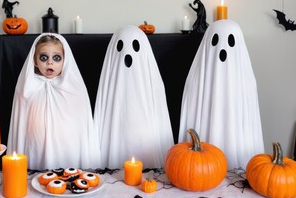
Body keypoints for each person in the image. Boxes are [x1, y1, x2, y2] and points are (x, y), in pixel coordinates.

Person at [178, 19, 264, 170]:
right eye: (216, 41)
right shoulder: (197, 80)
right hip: (201, 166)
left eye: (230, 41)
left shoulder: (246, 81)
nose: (222, 49)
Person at [7, 33, 101, 170]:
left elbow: (81, 126)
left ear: (65, 60)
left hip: (66, 148)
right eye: (44, 57)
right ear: (34, 60)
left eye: (56, 58)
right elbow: (20, 126)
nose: (49, 62)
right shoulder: (27, 88)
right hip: (36, 146)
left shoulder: (74, 89)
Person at [94, 25, 174, 169]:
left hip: (147, 141)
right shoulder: (109, 81)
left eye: (135, 47)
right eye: (121, 47)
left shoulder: (152, 82)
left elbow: (160, 114)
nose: (127, 54)